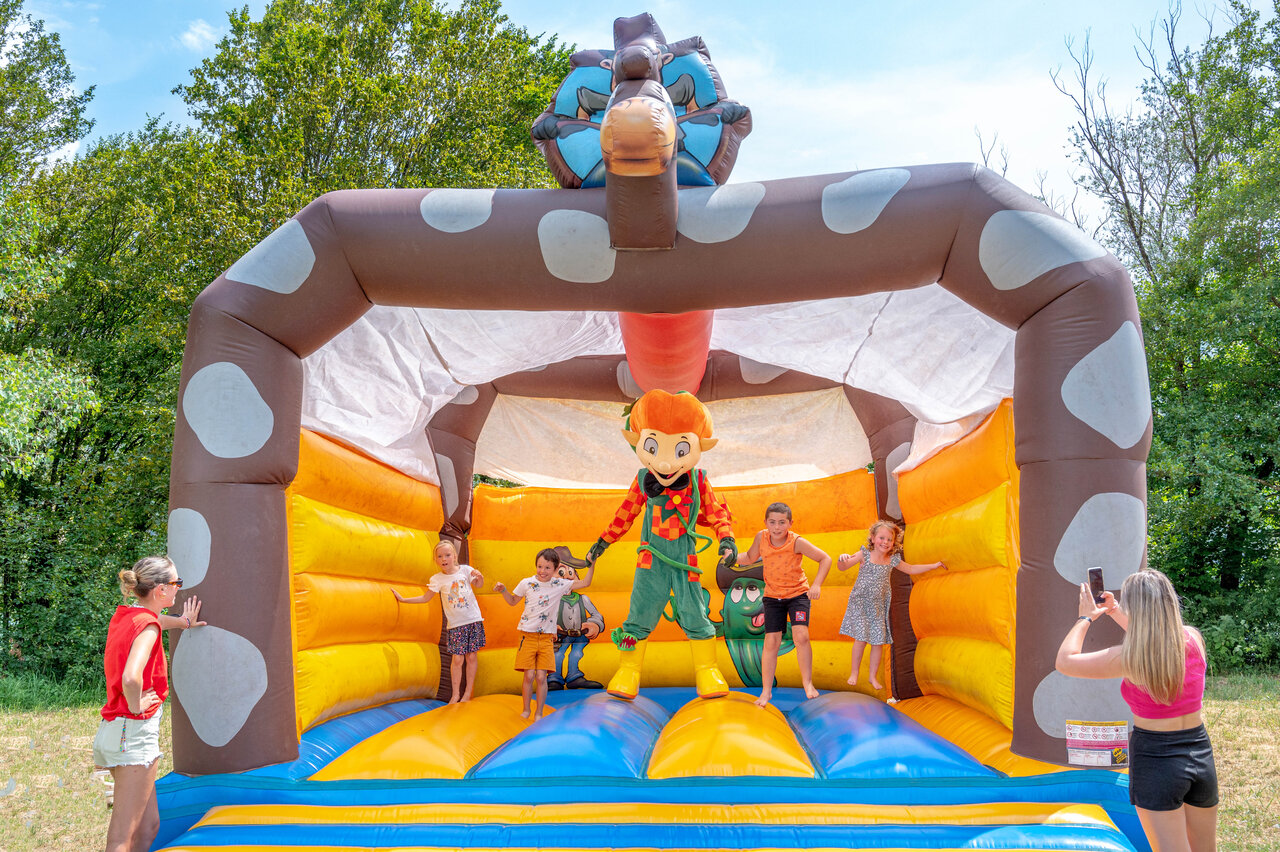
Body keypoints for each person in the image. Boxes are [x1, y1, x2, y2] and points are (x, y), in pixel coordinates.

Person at [1055, 569, 1218, 852]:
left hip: (1157, 762)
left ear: (1136, 609)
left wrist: (1086, 617)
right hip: (1200, 755)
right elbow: (1156, 642)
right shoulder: (1193, 640)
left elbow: (1065, 661)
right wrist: (1115, 612)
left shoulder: (1129, 659)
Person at [95, 555, 205, 852]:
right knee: (123, 836)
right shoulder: (149, 629)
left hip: (118, 733)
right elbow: (132, 677)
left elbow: (154, 619)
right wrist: (135, 703)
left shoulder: (128, 616)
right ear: (161, 590)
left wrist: (184, 622)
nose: (178, 588)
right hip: (131, 733)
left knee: (148, 827)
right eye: (176, 583)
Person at [737, 502, 832, 706]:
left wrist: (816, 585)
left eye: (782, 522)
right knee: (771, 641)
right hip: (773, 597)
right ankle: (766, 691)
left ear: (790, 523)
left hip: (797, 595)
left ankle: (807, 683)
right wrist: (732, 558)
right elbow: (750, 557)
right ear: (766, 523)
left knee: (801, 636)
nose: (777, 527)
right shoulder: (761, 538)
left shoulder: (796, 541)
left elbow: (825, 559)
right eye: (772, 522)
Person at [837, 520, 944, 690]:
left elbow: (911, 569)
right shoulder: (864, 554)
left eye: (889, 539)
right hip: (860, 603)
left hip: (878, 606)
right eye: (881, 538)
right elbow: (843, 566)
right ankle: (854, 672)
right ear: (872, 538)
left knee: (878, 642)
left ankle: (872, 676)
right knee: (861, 639)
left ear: (894, 542)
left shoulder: (892, 559)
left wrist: (933, 566)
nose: (885, 542)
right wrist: (842, 558)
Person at [494, 547, 596, 719]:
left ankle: (539, 713)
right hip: (528, 636)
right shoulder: (527, 583)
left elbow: (585, 583)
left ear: (555, 569)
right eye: (540, 566)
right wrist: (503, 590)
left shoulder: (559, 584)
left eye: (547, 568)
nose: (542, 571)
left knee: (541, 677)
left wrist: (592, 565)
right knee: (529, 675)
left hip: (547, 638)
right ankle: (526, 710)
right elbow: (512, 601)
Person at [393, 539, 484, 704]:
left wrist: (479, 577)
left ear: (454, 556)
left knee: (471, 657)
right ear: (436, 560)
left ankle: (467, 693)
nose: (444, 559)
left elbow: (479, 584)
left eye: (447, 555)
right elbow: (425, 598)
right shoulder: (437, 579)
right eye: (440, 556)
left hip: (472, 620)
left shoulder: (465, 570)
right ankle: (455, 694)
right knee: (457, 659)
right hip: (456, 625)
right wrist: (404, 600)